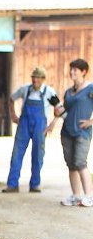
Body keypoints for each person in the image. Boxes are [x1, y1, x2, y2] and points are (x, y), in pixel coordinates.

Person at [3, 67, 59, 193]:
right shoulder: (25, 90)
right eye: (33, 77)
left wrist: (52, 125)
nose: (35, 80)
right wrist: (13, 115)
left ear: (43, 79)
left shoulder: (49, 92)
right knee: (17, 153)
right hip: (24, 125)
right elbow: (11, 99)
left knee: (38, 154)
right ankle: (12, 184)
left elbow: (59, 109)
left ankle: (35, 184)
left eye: (38, 77)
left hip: (40, 127)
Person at [49, 58, 93, 207]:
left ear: (84, 72)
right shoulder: (68, 92)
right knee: (71, 165)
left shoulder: (90, 89)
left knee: (81, 163)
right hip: (67, 131)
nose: (72, 72)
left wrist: (91, 122)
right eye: (71, 69)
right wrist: (57, 113)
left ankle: (89, 196)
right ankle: (76, 195)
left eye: (75, 70)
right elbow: (64, 112)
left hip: (82, 132)